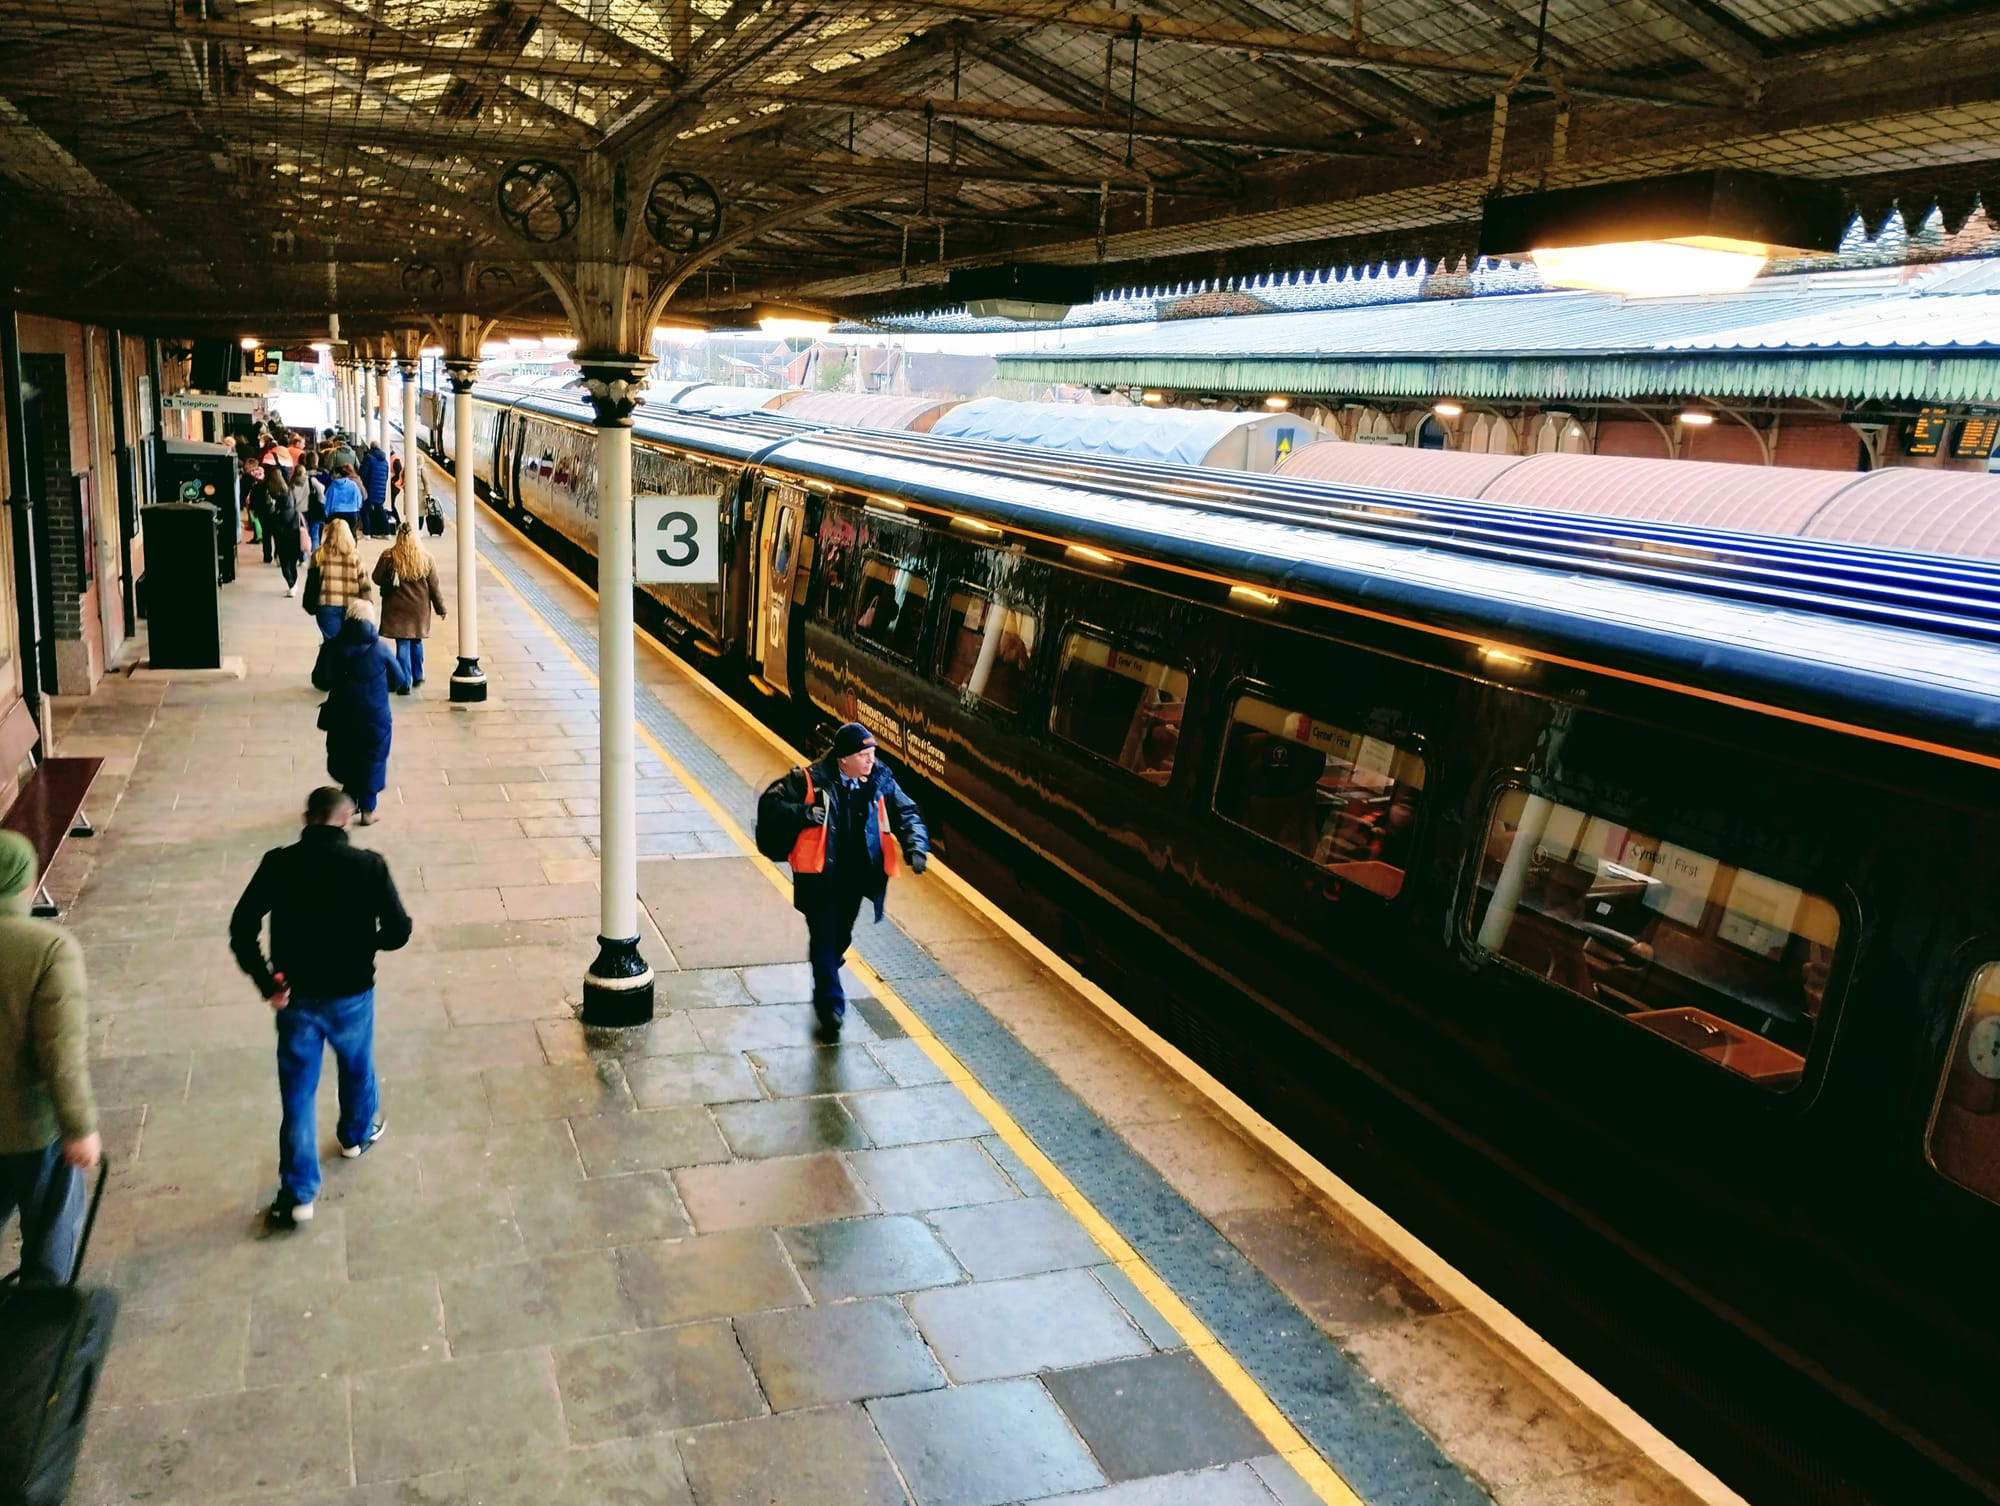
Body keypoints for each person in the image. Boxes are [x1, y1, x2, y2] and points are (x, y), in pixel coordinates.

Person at [229, 787, 411, 1229]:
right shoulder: (369, 866)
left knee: (297, 1095)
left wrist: (265, 979)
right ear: (346, 820)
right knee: (356, 1063)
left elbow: (242, 927)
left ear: (307, 817)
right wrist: (368, 942)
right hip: (351, 994)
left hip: (295, 997)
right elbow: (400, 930)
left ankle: (298, 1194)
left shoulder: (279, 863)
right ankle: (355, 1134)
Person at [757, 723, 928, 1040]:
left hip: (855, 879)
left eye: (873, 753)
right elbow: (770, 804)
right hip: (819, 878)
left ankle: (826, 969)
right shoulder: (808, 779)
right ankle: (830, 1006)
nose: (870, 760)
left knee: (840, 938)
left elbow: (907, 812)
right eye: (864, 754)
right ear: (843, 759)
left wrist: (916, 845)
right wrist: (803, 814)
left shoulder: (879, 779)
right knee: (823, 938)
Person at [0, 831, 98, 1283]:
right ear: (26, 882)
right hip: (34, 1128)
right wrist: (78, 1128)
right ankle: (35, 1335)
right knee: (50, 1236)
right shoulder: (48, 949)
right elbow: (61, 1052)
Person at [314, 598, 407, 823]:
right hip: (375, 718)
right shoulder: (381, 650)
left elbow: (321, 680)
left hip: (342, 716)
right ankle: (368, 809)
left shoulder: (332, 647)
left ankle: (347, 802)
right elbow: (400, 681)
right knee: (373, 759)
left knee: (346, 755)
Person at [372, 522, 446, 693]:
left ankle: (404, 682)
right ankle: (418, 675)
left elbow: (376, 578)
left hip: (396, 609)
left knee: (403, 643)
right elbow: (435, 587)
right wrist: (441, 609)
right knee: (416, 641)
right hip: (418, 610)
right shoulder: (426, 558)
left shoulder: (389, 556)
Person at [307, 517, 371, 641]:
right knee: (350, 644)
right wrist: (367, 604)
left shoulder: (319, 554)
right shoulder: (356, 556)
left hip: (326, 604)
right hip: (352, 606)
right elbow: (364, 583)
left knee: (331, 645)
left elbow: (312, 583)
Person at [264, 465, 304, 596]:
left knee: (285, 563)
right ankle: (294, 584)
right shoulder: (288, 493)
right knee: (292, 562)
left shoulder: (272, 498)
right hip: (293, 534)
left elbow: (271, 519)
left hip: (281, 536)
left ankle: (291, 584)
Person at [323, 461, 364, 541]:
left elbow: (328, 501)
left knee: (335, 536)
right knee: (351, 534)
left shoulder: (332, 486)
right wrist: (358, 508)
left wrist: (326, 515)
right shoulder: (353, 485)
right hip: (352, 513)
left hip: (336, 513)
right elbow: (359, 499)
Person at [358, 444, 391, 538]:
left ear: (371, 448)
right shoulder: (385, 461)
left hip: (369, 488)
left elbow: (363, 473)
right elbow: (386, 476)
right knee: (380, 509)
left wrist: (362, 484)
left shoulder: (369, 458)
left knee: (365, 510)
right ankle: (387, 532)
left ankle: (367, 533)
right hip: (380, 489)